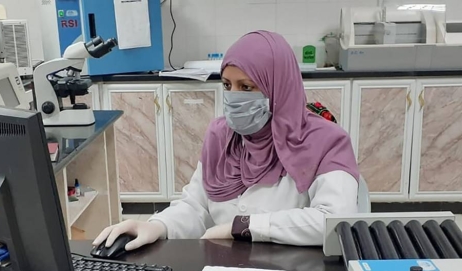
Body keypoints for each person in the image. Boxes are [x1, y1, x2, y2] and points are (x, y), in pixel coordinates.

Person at [94, 30, 360, 251]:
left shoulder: (326, 141)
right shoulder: (222, 136)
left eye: (246, 87)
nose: (233, 97)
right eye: (226, 85)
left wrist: (245, 226)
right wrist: (157, 225)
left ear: (278, 86)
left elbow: (333, 221)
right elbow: (196, 206)